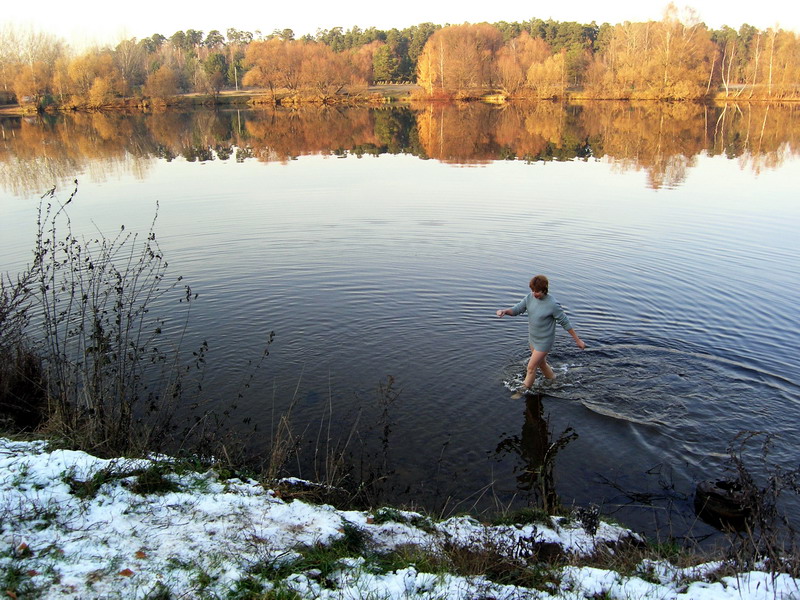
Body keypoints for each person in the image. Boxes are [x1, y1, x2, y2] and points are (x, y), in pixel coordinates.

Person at [496, 275, 585, 393]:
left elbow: (565, 322)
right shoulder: (529, 298)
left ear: (544, 289)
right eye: (532, 290)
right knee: (542, 364)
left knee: (531, 367)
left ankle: (522, 391)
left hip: (545, 342)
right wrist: (505, 311)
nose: (534, 294)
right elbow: (517, 309)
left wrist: (577, 340)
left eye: (537, 291)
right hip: (533, 339)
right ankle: (553, 381)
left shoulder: (553, 304)